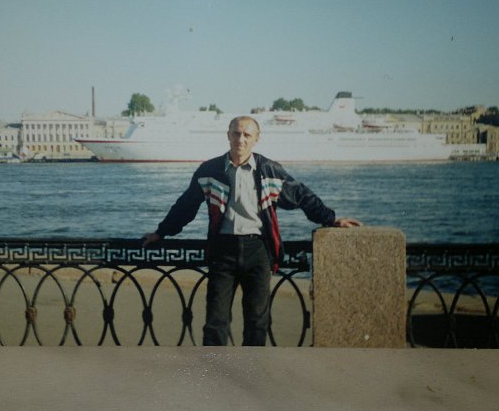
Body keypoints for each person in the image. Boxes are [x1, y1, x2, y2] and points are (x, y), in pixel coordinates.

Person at [142, 116, 361, 346]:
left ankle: (252, 369)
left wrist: (331, 219)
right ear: (228, 135)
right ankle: (213, 368)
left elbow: (301, 195)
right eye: (236, 133)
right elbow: (186, 206)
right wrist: (161, 232)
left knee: (257, 322)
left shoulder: (269, 171)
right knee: (215, 322)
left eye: (247, 135)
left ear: (257, 139)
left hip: (258, 251)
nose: (241, 139)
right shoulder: (209, 171)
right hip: (222, 251)